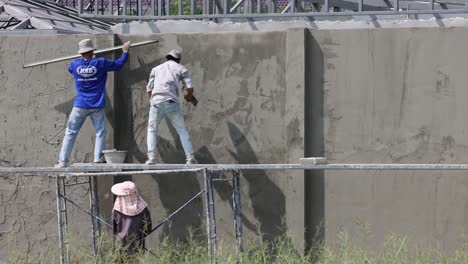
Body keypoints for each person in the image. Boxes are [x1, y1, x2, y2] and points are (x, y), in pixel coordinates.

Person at [55, 39, 130, 168]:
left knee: (70, 132)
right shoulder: (100, 63)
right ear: (92, 51)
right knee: (100, 132)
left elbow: (69, 69)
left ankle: (62, 161)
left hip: (80, 105)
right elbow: (118, 65)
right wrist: (125, 51)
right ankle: (98, 159)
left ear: (81, 53)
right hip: (96, 105)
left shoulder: (74, 64)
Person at [145, 49, 196, 165]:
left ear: (167, 58)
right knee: (182, 130)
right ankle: (190, 158)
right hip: (171, 102)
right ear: (178, 60)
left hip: (156, 103)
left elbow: (149, 89)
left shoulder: (156, 69)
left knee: (152, 130)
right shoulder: (181, 68)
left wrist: (153, 100)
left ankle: (151, 158)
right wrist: (189, 97)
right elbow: (190, 87)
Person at [112, 181, 152, 263]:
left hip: (121, 245)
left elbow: (114, 229)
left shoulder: (116, 210)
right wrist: (141, 236)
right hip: (137, 246)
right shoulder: (143, 209)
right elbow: (148, 228)